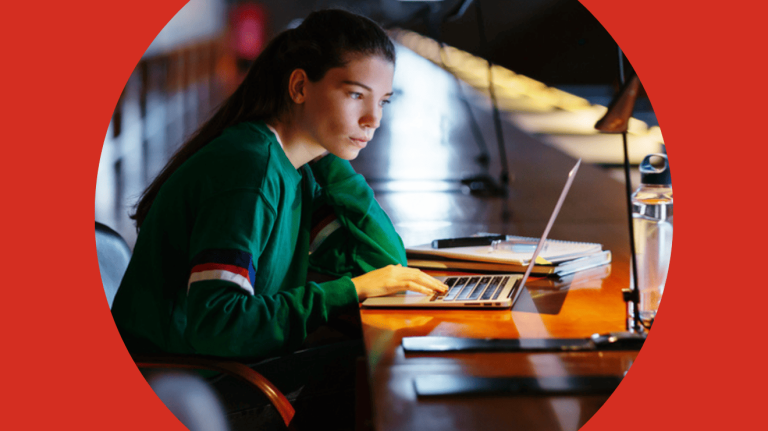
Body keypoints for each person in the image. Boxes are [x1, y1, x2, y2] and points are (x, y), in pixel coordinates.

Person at [110, 9, 447, 430]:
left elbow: (383, 264)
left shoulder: (300, 166)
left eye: (382, 101)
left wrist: (333, 158)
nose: (373, 120)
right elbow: (217, 323)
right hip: (186, 386)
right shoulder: (249, 171)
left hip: (226, 367)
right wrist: (349, 290)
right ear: (300, 86)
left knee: (377, 353)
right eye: (355, 95)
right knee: (379, 366)